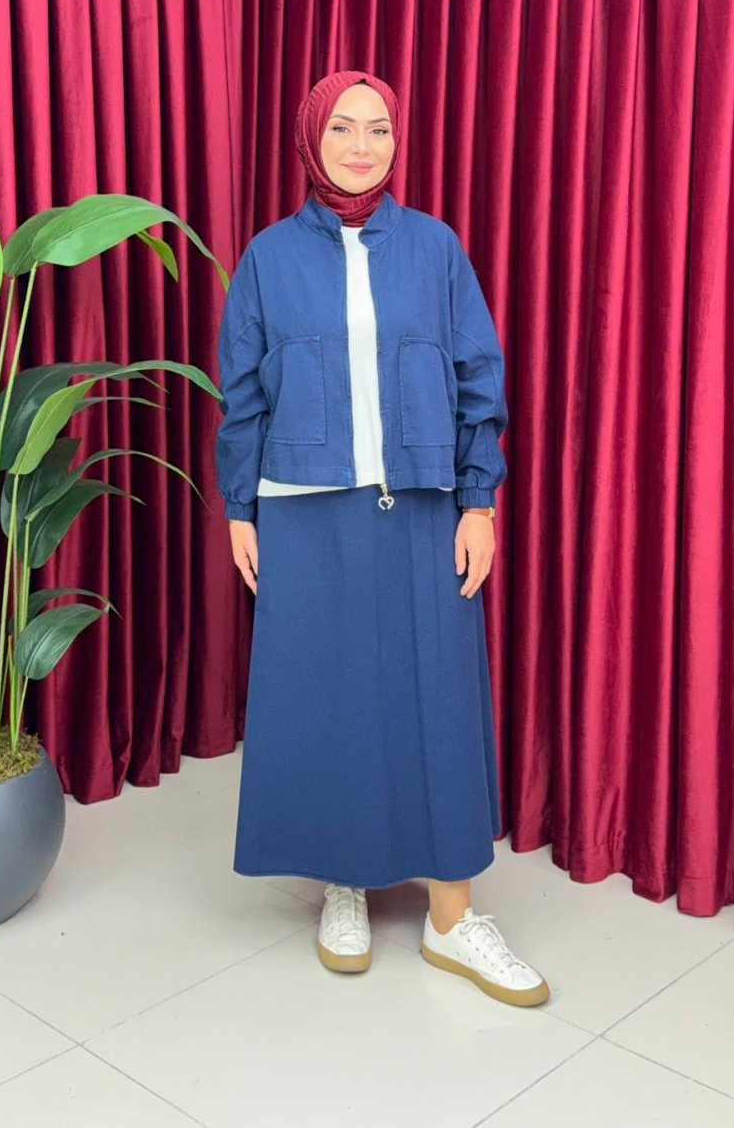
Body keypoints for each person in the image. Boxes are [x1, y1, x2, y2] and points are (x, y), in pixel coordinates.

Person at [214, 69, 549, 1006]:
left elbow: (477, 373)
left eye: (379, 129)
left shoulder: (435, 248)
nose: (362, 147)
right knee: (327, 693)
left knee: (437, 693)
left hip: (427, 502)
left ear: (398, 142)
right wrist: (240, 506)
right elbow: (243, 391)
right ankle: (344, 884)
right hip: (304, 505)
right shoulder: (269, 258)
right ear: (310, 138)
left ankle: (453, 918)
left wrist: (479, 500)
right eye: (343, 129)